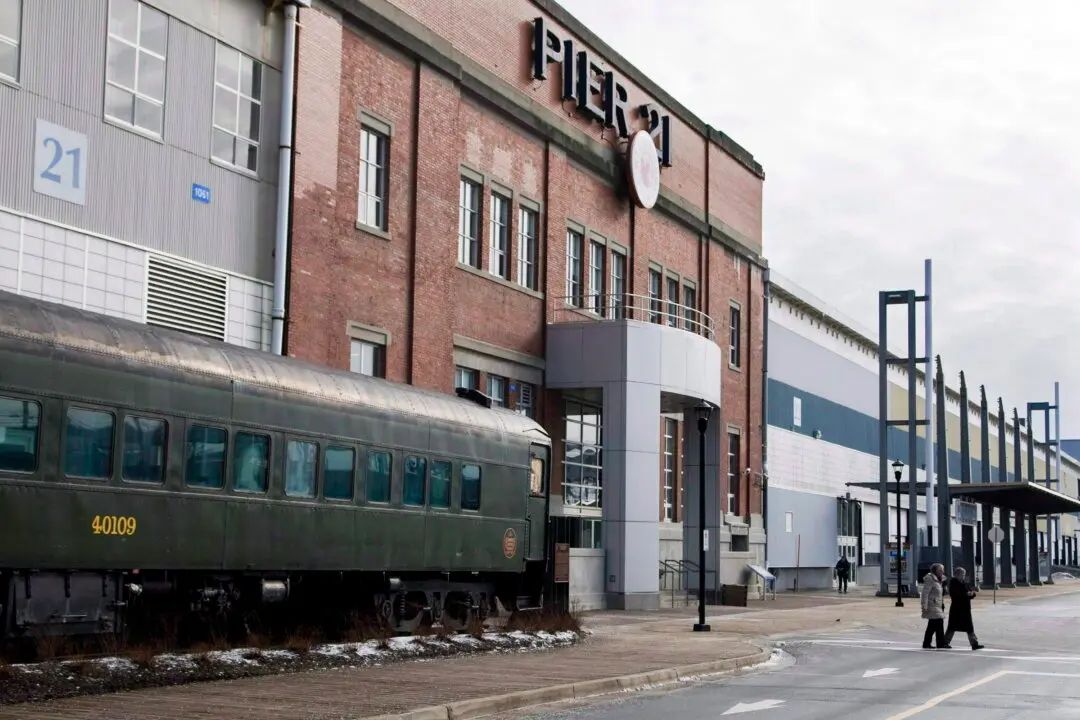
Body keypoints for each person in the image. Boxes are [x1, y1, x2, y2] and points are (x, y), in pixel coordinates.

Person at [943, 567, 985, 650]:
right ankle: (945, 642)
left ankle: (974, 643)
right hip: (957, 608)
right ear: (957, 574)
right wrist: (967, 594)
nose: (963, 576)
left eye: (964, 574)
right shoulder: (953, 582)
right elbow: (955, 594)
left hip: (965, 608)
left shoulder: (964, 583)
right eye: (962, 574)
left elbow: (970, 592)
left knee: (969, 627)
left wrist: (972, 594)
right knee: (952, 626)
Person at [920, 563, 947, 649]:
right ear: (935, 571)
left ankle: (927, 643)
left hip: (938, 604)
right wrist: (924, 606)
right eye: (940, 570)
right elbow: (925, 593)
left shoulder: (940, 580)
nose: (942, 571)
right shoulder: (930, 579)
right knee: (938, 624)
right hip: (933, 605)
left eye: (942, 569)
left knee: (932, 625)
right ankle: (940, 643)